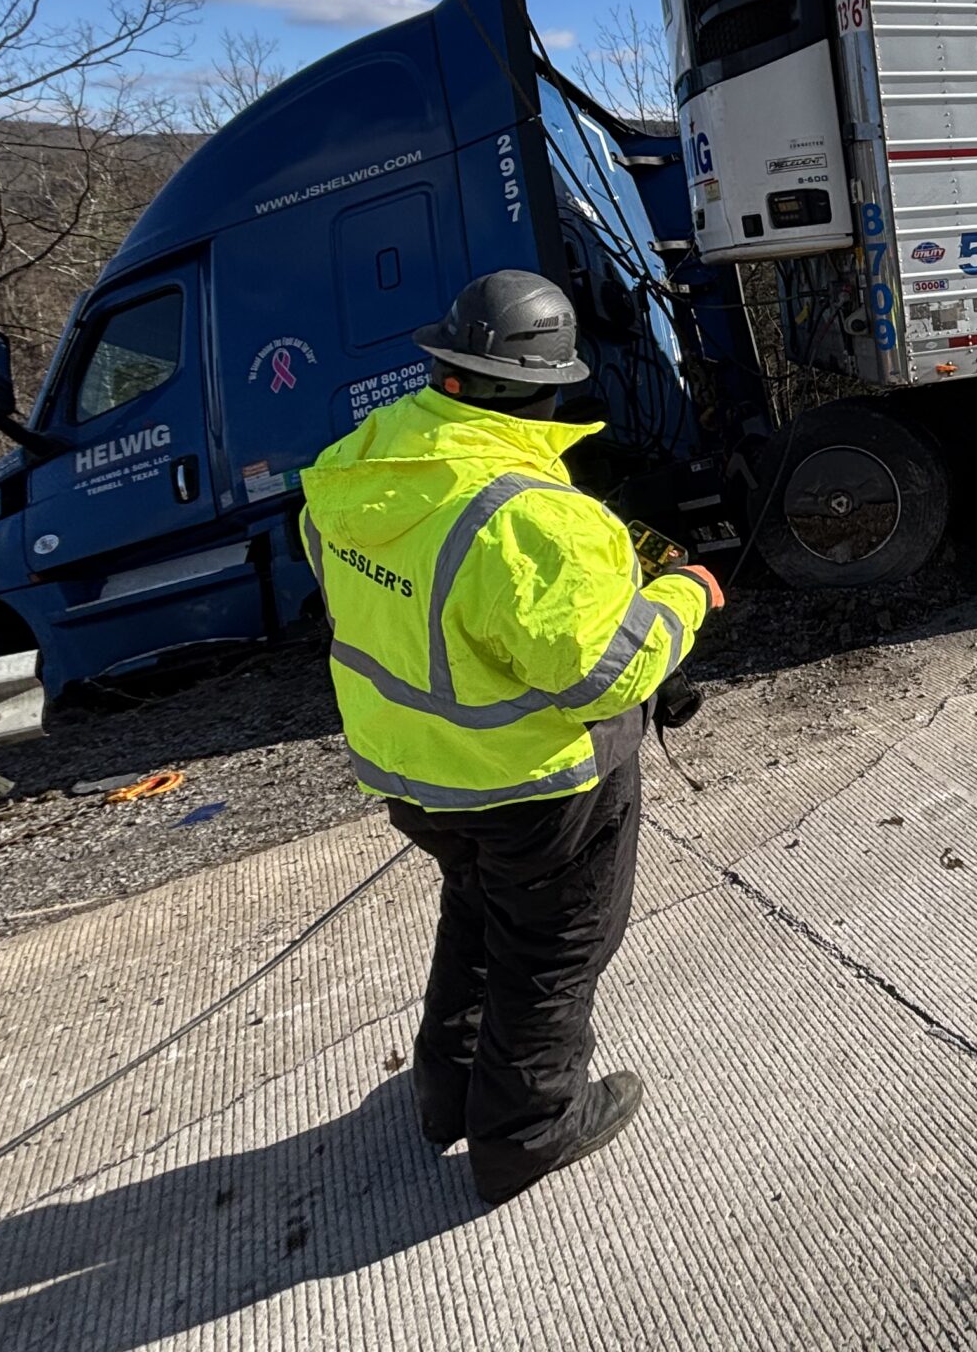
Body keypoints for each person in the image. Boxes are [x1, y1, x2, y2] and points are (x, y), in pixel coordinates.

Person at [298, 269, 722, 1204]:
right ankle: (527, 1131)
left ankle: (447, 1092)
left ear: (445, 366)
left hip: (409, 771)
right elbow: (605, 673)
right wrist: (684, 596)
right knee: (552, 951)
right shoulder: (533, 517)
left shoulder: (360, 460)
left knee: (479, 915)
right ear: (551, 385)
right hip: (530, 786)